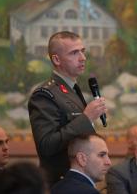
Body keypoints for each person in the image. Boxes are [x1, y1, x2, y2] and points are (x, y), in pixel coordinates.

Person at [28, 31, 107, 186]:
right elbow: (46, 145)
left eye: (82, 51)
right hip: (60, 183)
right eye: (74, 53)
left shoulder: (72, 89)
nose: (82, 58)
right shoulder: (45, 94)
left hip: (80, 182)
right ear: (56, 59)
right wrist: (86, 118)